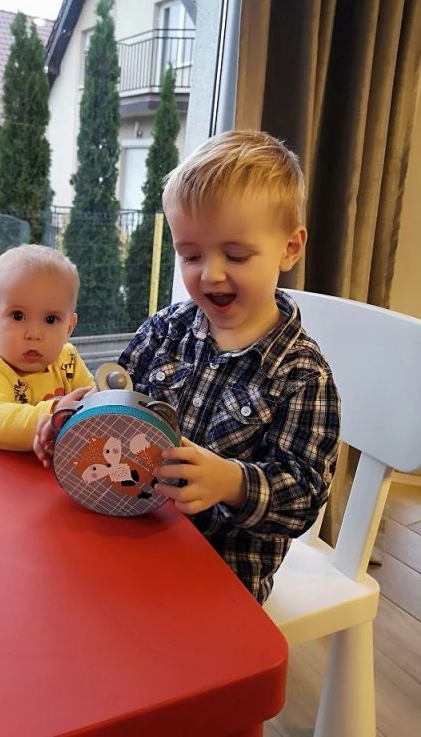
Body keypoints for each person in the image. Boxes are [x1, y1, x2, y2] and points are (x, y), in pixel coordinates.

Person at [35, 130, 340, 604]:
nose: (210, 273)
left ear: (290, 248)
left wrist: (231, 482)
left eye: (235, 255)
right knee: (54, 587)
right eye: (191, 255)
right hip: (133, 524)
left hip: (220, 572)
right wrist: (72, 420)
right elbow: (118, 407)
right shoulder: (166, 329)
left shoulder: (302, 376)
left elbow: (304, 498)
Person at [0, 244, 94, 451]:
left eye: (50, 319)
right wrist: (55, 412)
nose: (34, 334)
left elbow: (92, 401)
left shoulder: (68, 360)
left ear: (68, 327)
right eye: (18, 316)